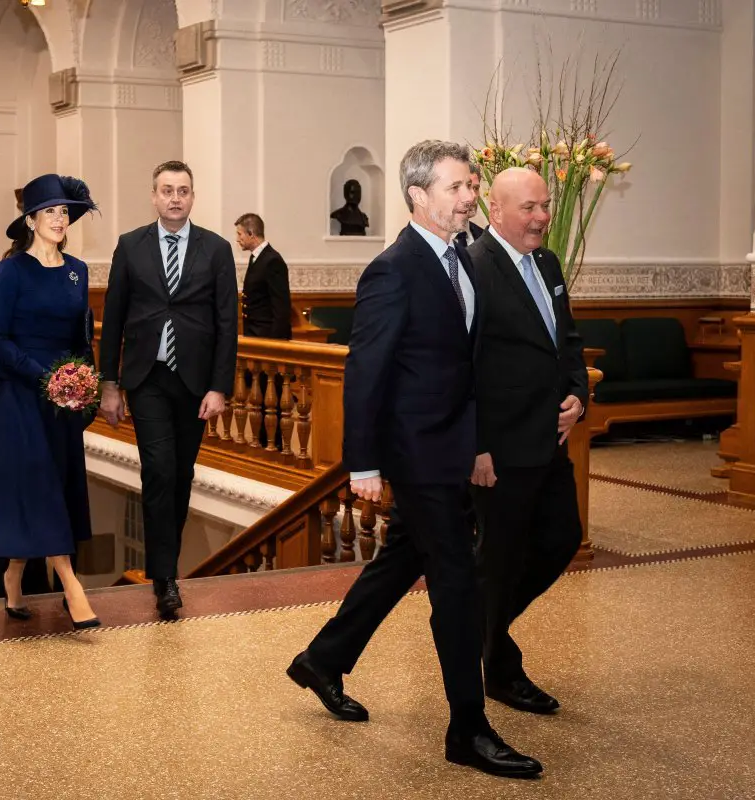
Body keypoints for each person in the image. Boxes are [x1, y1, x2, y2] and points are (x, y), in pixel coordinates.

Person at [286, 140, 541, 779]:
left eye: (472, 187)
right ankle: (467, 729)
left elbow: (468, 363)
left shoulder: (467, 257)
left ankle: (323, 658)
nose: (469, 198)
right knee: (456, 580)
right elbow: (366, 372)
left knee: (403, 557)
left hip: (455, 443)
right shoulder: (393, 269)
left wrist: (478, 442)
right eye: (457, 188)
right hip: (415, 451)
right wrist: (363, 464)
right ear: (417, 196)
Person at [468, 166, 588, 716]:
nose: (541, 217)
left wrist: (578, 396)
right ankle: (499, 664)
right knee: (500, 557)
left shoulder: (547, 262)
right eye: (529, 208)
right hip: (499, 449)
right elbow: (461, 367)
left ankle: (480, 629)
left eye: (544, 206)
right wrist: (476, 445)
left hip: (550, 439)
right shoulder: (474, 268)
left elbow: (567, 338)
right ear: (494, 211)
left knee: (562, 538)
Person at [99, 160, 238, 620]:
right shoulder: (129, 246)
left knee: (180, 475)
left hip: (195, 382)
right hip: (148, 379)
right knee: (158, 471)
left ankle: (165, 569)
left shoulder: (216, 250)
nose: (175, 198)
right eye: (166, 190)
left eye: (183, 190)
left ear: (192, 197)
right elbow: (113, 319)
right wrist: (109, 384)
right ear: (154, 196)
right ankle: (165, 578)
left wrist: (220, 387)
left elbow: (226, 325)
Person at [0, 173, 101, 630]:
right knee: (40, 483)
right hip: (18, 391)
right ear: (30, 220)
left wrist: (83, 386)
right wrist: (43, 377)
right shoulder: (11, 270)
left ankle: (13, 576)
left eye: (64, 211)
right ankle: (72, 585)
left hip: (65, 395)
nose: (59, 218)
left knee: (56, 482)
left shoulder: (78, 270)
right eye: (49, 211)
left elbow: (81, 337)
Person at [236, 213, 292, 340]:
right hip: (254, 333)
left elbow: (281, 307)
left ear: (251, 234)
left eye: (240, 234)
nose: (237, 239)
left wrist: (275, 343)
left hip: (267, 336)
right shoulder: (256, 257)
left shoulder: (272, 260)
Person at [456, 162, 486, 248]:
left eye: (476, 188)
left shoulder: (483, 236)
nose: (473, 196)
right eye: (467, 187)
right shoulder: (433, 239)